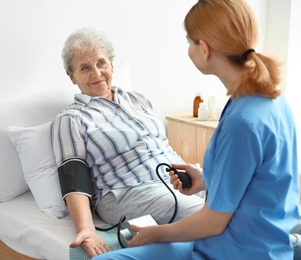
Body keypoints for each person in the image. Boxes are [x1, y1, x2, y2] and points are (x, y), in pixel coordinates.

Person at [93, 0, 300, 259]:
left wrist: (157, 233)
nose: (188, 49)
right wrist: (205, 179)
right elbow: (255, 179)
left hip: (233, 251)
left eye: (190, 41)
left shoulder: (242, 122)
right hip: (251, 242)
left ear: (204, 49)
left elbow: (213, 221)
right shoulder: (268, 98)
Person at [50, 27, 204, 257]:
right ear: (71, 76)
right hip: (128, 191)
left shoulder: (137, 99)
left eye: (101, 63)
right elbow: (73, 177)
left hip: (179, 179)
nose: (96, 73)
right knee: (207, 215)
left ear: (112, 64)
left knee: (243, 197)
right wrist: (87, 228)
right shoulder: (72, 119)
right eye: (84, 67)